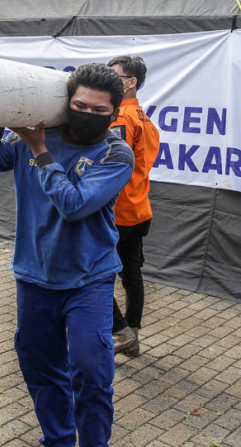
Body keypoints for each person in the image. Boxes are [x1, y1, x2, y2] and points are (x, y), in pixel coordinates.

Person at [0, 63, 134, 447]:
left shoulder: (116, 154)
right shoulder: (32, 136)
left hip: (89, 278)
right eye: (80, 105)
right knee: (39, 365)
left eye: (99, 111)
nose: (88, 115)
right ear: (67, 102)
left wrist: (39, 149)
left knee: (91, 370)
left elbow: (74, 205)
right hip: (35, 275)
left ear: (115, 112)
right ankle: (57, 439)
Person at [106, 56, 160, 357]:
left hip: (118, 212)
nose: (107, 79)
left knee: (97, 273)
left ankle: (123, 333)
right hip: (139, 210)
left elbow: (114, 166)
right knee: (131, 274)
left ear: (131, 82)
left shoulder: (122, 119)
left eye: (113, 75)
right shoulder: (144, 119)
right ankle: (133, 333)